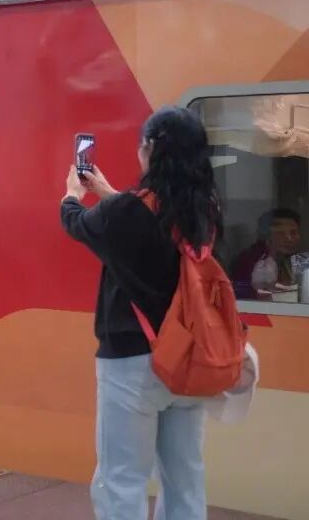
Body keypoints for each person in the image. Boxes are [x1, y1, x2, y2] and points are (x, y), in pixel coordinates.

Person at [60, 106, 222, 520]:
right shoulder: (203, 209)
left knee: (122, 479)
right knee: (184, 477)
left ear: (150, 148)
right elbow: (150, 223)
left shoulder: (124, 214)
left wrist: (73, 194)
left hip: (131, 363)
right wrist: (109, 192)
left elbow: (76, 223)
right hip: (188, 358)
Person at [230, 208, 301, 300]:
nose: (289, 238)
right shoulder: (252, 261)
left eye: (293, 233)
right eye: (280, 233)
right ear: (267, 235)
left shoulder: (292, 261)